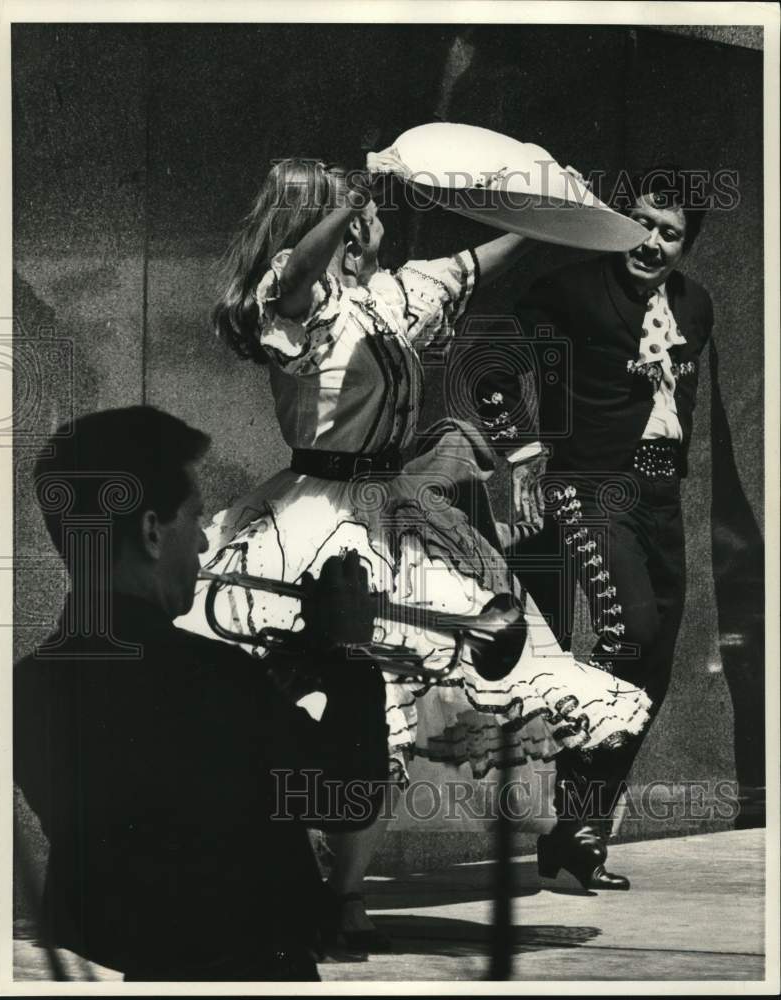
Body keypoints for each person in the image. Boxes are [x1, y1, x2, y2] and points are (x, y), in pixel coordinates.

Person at [181, 153, 652, 946]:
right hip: (312, 522)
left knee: (401, 703)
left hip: (396, 516)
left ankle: (345, 888)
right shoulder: (295, 304)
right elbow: (293, 273)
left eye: (362, 207)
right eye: (352, 210)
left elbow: (493, 252)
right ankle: (297, 874)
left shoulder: (394, 295)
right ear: (326, 220)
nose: (374, 218)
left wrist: (556, 205)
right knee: (323, 708)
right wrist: (351, 198)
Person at [13, 405, 390, 982]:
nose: (206, 541)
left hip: (137, 962)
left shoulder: (30, 683)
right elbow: (349, 800)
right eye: (194, 518)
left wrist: (269, 691)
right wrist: (349, 655)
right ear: (149, 531)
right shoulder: (208, 674)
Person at [478, 165, 713, 890]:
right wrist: (519, 447)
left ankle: (581, 831)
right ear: (618, 222)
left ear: (686, 243)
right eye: (640, 223)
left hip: (660, 493)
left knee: (655, 660)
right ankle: (570, 817)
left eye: (669, 233)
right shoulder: (570, 290)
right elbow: (491, 362)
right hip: (590, 485)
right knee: (628, 631)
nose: (652, 242)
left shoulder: (695, 305)